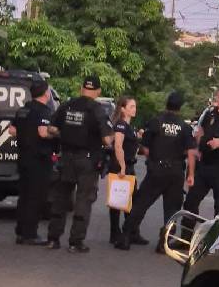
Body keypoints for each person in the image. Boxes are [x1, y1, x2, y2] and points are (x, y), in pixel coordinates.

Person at [115, 91, 196, 253]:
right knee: (171, 210)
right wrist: (191, 175)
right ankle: (163, 243)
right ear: (180, 107)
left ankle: (126, 236)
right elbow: (191, 153)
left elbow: (145, 146)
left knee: (141, 203)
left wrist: (152, 159)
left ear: (166, 104)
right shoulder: (185, 127)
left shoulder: (155, 122)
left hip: (156, 170)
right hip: (175, 171)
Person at [47, 75, 113, 253]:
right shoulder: (97, 110)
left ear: (81, 88)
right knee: (84, 199)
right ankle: (75, 242)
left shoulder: (67, 105)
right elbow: (107, 140)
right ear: (98, 91)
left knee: (60, 198)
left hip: (66, 157)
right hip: (87, 160)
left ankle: (53, 239)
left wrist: (65, 135)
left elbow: (51, 128)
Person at [9, 77, 57, 245]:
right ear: (46, 93)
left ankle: (21, 231)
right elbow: (43, 132)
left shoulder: (23, 110)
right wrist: (57, 134)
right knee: (36, 197)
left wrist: (26, 133)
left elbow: (12, 130)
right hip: (39, 159)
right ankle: (30, 234)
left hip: (23, 157)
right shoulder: (44, 111)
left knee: (24, 195)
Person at [183, 87, 219, 216]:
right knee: (190, 203)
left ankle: (216, 236)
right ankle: (188, 234)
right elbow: (199, 132)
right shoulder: (209, 114)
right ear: (216, 99)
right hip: (204, 167)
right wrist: (197, 149)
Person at [108, 97, 148, 246]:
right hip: (121, 167)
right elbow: (118, 146)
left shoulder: (128, 126)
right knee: (118, 201)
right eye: (131, 106)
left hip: (128, 166)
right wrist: (123, 166)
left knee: (129, 201)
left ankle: (131, 232)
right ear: (123, 109)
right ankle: (116, 233)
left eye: (135, 106)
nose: (134, 109)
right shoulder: (121, 125)